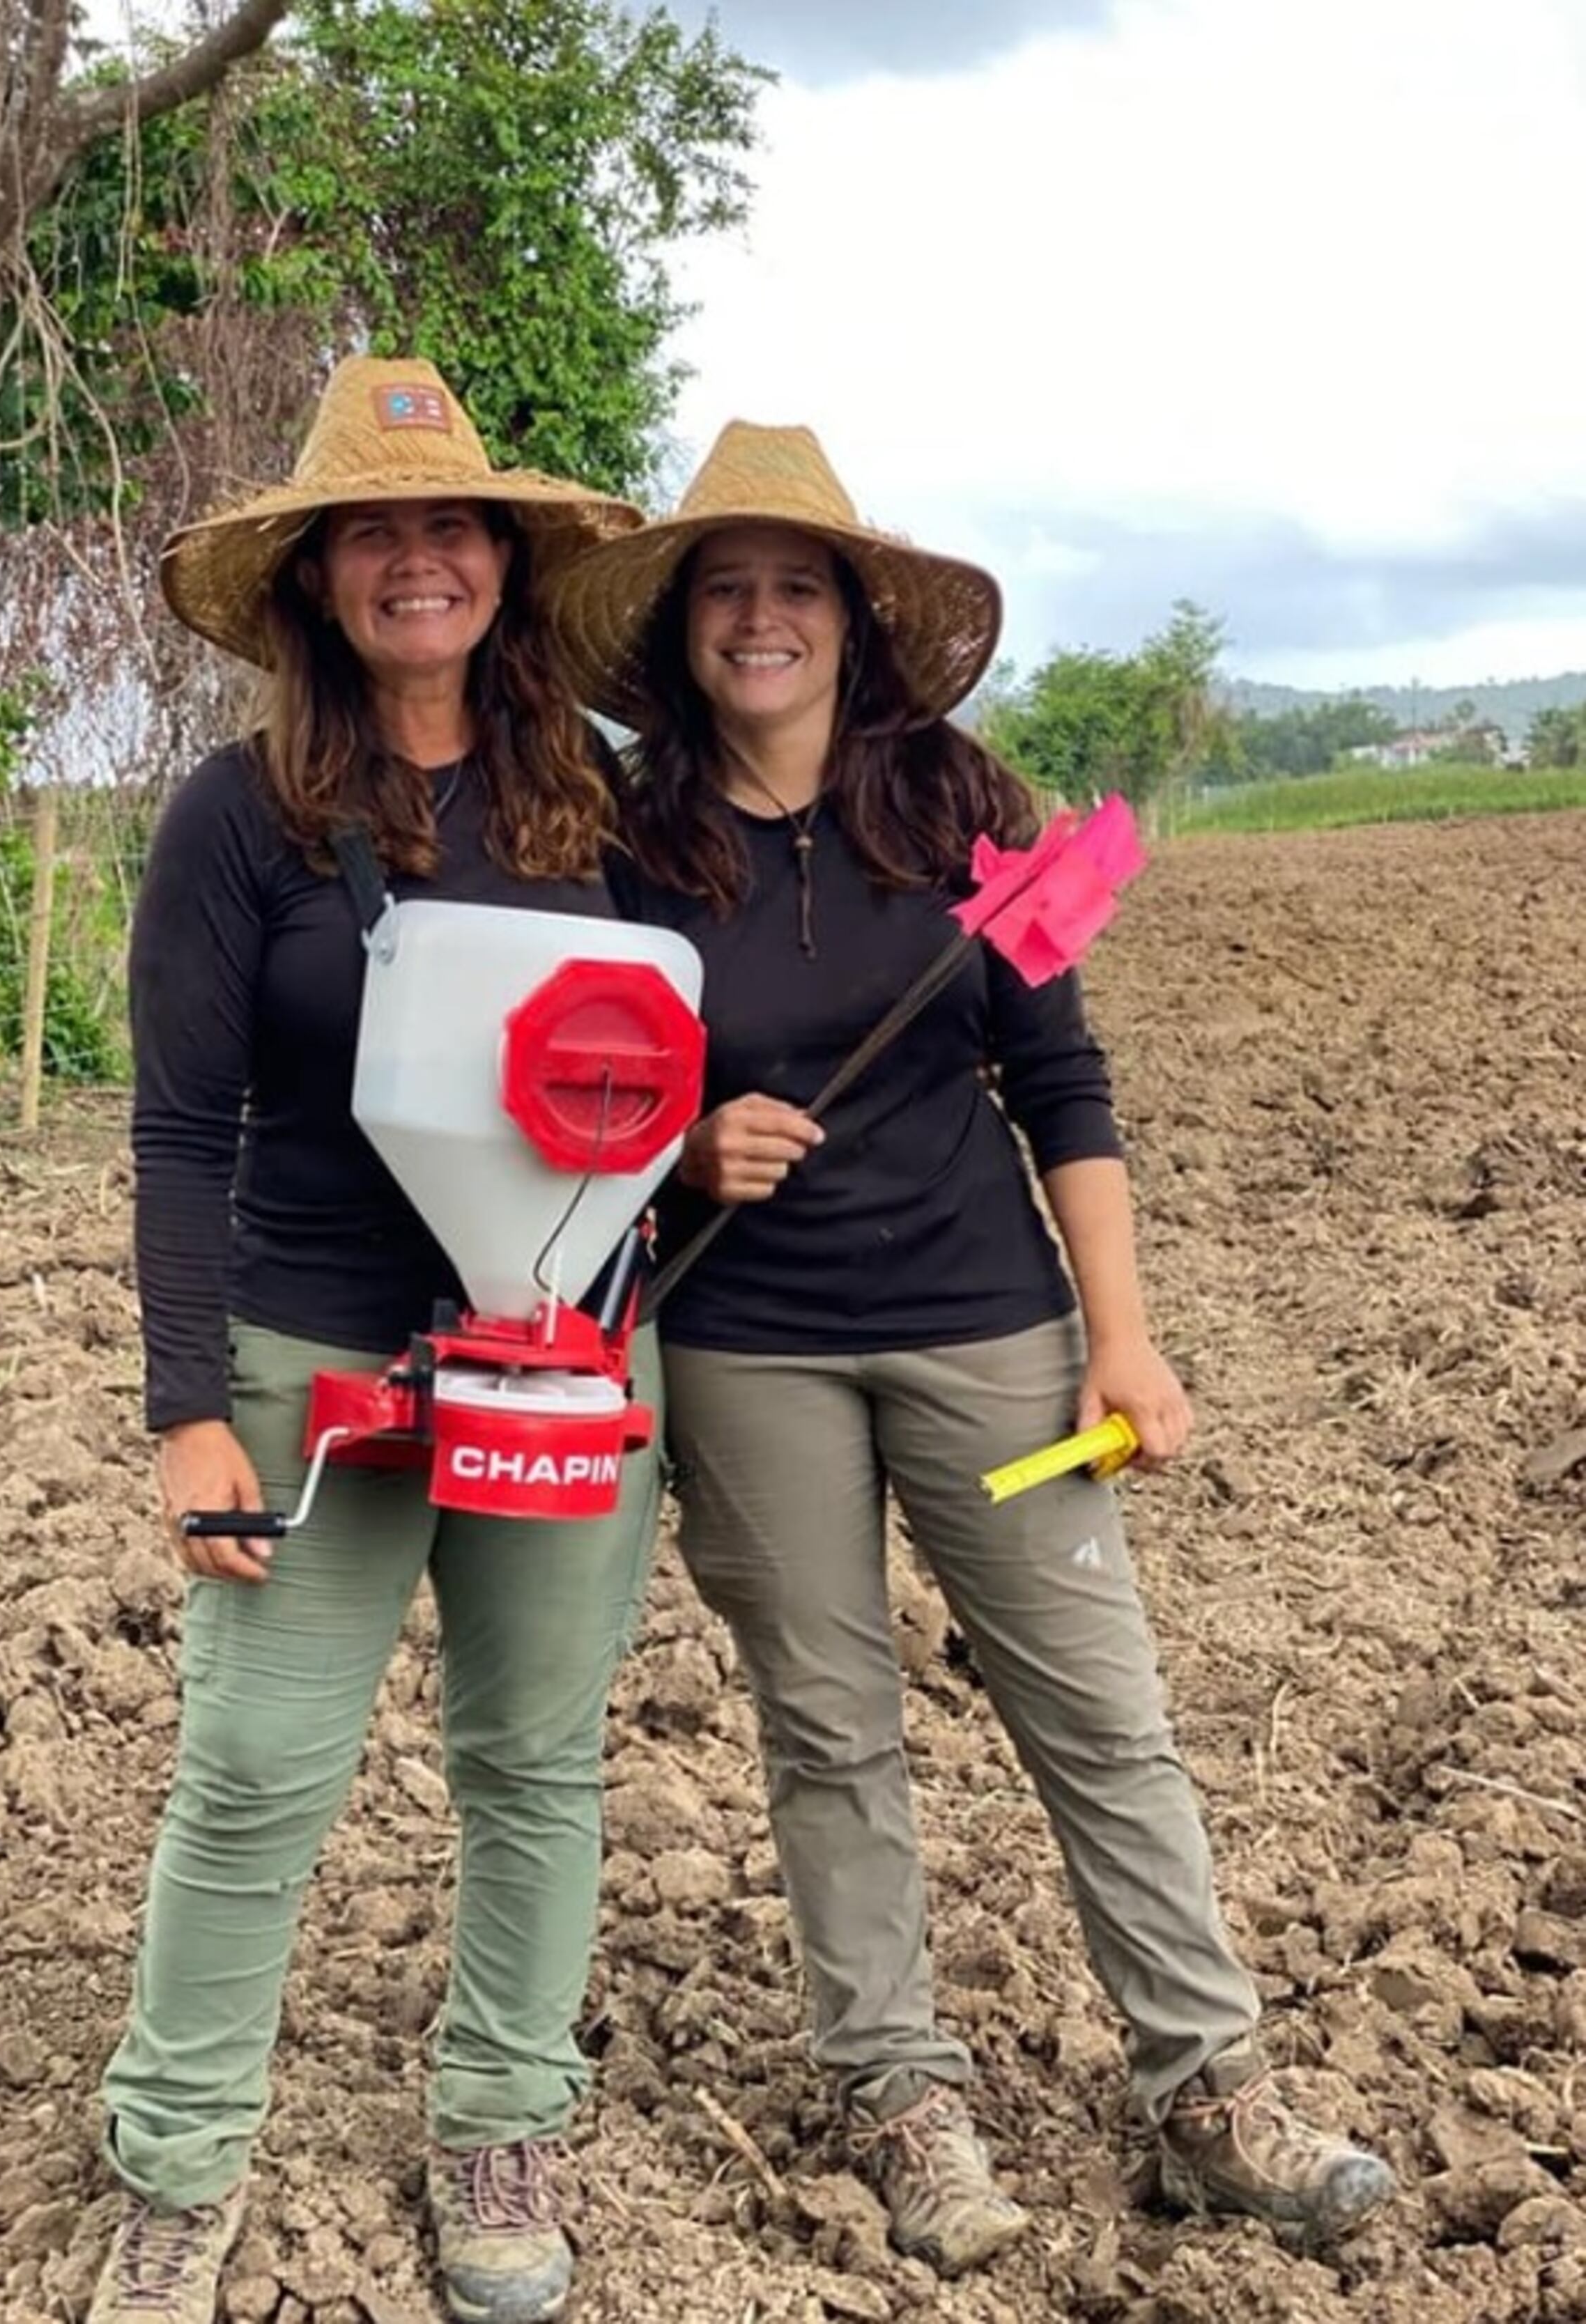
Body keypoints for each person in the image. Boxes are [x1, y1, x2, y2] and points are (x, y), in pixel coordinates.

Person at [544, 424, 1396, 2273]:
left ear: (855, 622)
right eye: (725, 588)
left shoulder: (964, 816)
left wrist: (1128, 1344)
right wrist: (682, 1146)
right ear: (685, 629)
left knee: (1099, 1711)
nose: (759, 620)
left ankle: (1213, 2084)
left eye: (794, 587)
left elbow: (1062, 1084)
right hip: (754, 1355)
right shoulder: (623, 842)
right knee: (831, 1734)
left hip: (993, 1336)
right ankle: (900, 2097)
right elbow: (579, 1086)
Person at [87, 357, 658, 2324]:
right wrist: (184, 1409)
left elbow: (685, 1044)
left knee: (536, 1760)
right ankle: (174, 2163)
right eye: (377, 536)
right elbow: (177, 1128)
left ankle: (500, 2124)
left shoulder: (602, 803)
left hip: (567, 1354)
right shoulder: (238, 823)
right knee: (253, 1771)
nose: (420, 563)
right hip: (314, 1354)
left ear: (502, 560)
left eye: (451, 529)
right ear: (323, 580)